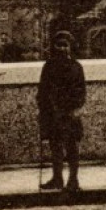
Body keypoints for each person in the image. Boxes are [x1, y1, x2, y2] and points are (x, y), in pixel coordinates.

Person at [37, 30, 86, 193]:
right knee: (55, 146)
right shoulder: (49, 66)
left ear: (70, 47)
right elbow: (42, 90)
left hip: (70, 113)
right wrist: (44, 110)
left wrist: (75, 108)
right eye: (59, 45)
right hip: (53, 113)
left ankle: (73, 180)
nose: (62, 49)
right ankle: (57, 178)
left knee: (71, 147)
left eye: (65, 45)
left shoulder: (76, 67)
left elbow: (81, 91)